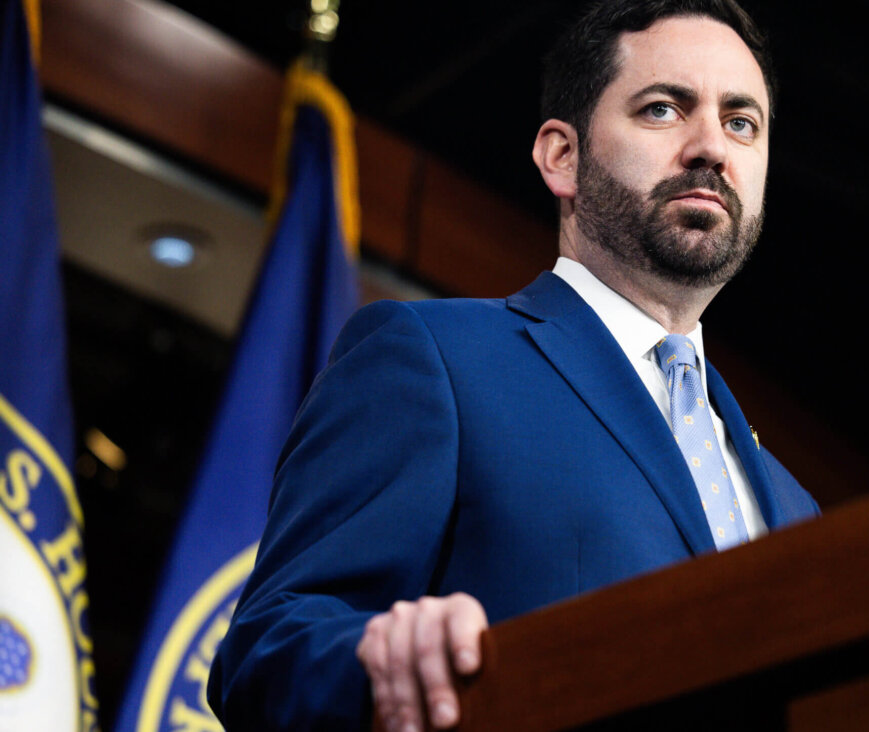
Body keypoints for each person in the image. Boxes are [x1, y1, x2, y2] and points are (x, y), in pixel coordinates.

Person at [208, 1, 819, 730]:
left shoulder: (797, 508)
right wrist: (379, 656)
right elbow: (269, 648)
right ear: (562, 156)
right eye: (663, 109)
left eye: (741, 123)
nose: (711, 148)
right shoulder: (435, 359)